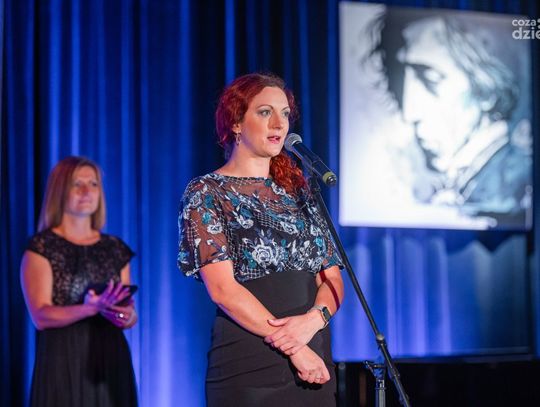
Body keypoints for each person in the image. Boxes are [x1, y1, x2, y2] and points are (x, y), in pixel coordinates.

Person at [178, 73, 344, 406]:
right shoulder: (207, 192)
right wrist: (295, 347)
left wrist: (313, 321)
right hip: (250, 366)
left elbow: (333, 279)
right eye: (265, 112)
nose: (279, 123)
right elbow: (223, 289)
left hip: (314, 360)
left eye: (285, 113)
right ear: (236, 122)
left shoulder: (300, 193)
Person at [369, 9, 532, 227]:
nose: (409, 112)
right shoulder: (466, 179)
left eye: (430, 79)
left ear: (485, 87)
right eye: (399, 80)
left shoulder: (512, 180)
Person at [20, 156, 138, 407]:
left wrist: (125, 315)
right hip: (62, 359)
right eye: (77, 184)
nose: (87, 191)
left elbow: (129, 315)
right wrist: (89, 308)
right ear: (60, 190)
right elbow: (40, 315)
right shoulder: (42, 247)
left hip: (110, 360)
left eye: (93, 184)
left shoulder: (115, 248)